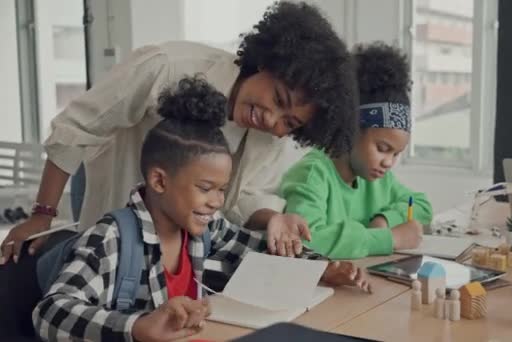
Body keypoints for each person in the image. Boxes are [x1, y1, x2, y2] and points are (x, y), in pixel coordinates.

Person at [0, 1, 357, 263]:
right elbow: (75, 127)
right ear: (266, 63)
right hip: (114, 189)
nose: (272, 119)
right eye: (278, 98)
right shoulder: (166, 67)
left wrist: (274, 218)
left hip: (175, 244)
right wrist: (41, 214)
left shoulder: (270, 138)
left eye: (290, 123)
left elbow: (240, 200)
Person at [32, 77, 371, 342]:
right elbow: (50, 311)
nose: (217, 201)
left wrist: (322, 268)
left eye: (222, 189)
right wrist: (136, 327)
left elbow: (260, 250)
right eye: (205, 189)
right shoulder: (111, 238)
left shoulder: (208, 229)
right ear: (160, 181)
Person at [279, 43, 433, 259]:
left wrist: (384, 220)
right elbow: (304, 241)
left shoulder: (380, 180)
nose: (388, 162)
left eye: (396, 154)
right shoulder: (312, 173)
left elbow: (422, 205)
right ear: (351, 128)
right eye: (382, 148)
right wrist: (390, 238)